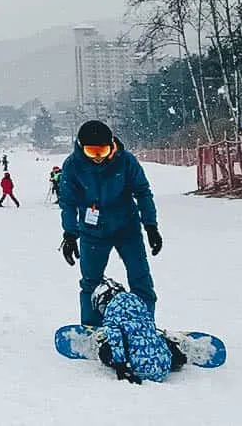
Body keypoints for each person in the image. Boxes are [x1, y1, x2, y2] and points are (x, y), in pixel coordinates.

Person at [58, 120, 161, 328]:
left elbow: (142, 192)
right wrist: (70, 235)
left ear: (111, 144)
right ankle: (92, 328)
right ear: (81, 146)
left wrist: (151, 226)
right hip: (92, 233)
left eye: (102, 151)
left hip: (127, 229)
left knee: (141, 279)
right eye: (91, 151)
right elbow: (68, 202)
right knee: (91, 282)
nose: (97, 157)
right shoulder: (73, 165)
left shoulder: (126, 161)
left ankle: (145, 325)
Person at [91, 278, 186, 384]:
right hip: (163, 368)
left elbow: (115, 336)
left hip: (138, 369)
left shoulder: (112, 308)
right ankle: (175, 353)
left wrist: (120, 366)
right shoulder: (137, 301)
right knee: (148, 335)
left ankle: (102, 341)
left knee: (106, 351)